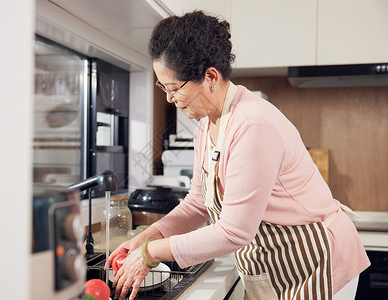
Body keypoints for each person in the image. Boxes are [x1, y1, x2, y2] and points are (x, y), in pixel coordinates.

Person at [107, 11, 370, 300]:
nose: (169, 99)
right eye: (163, 88)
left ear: (210, 77)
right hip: (276, 268)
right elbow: (197, 203)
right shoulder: (207, 124)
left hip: (317, 264)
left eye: (173, 89)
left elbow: (234, 232)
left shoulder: (252, 124)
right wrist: (148, 236)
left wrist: (151, 253)